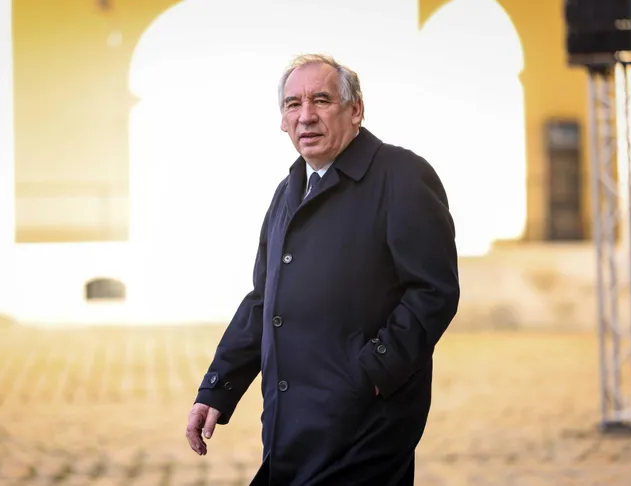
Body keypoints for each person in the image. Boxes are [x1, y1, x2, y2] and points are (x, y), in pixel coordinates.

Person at [185, 53, 460, 486]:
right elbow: (263, 301)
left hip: (365, 430)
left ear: (356, 110)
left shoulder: (402, 176)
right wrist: (218, 387)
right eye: (293, 104)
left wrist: (375, 371)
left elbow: (433, 290)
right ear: (282, 121)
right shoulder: (287, 192)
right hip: (289, 429)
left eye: (321, 100)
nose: (306, 116)